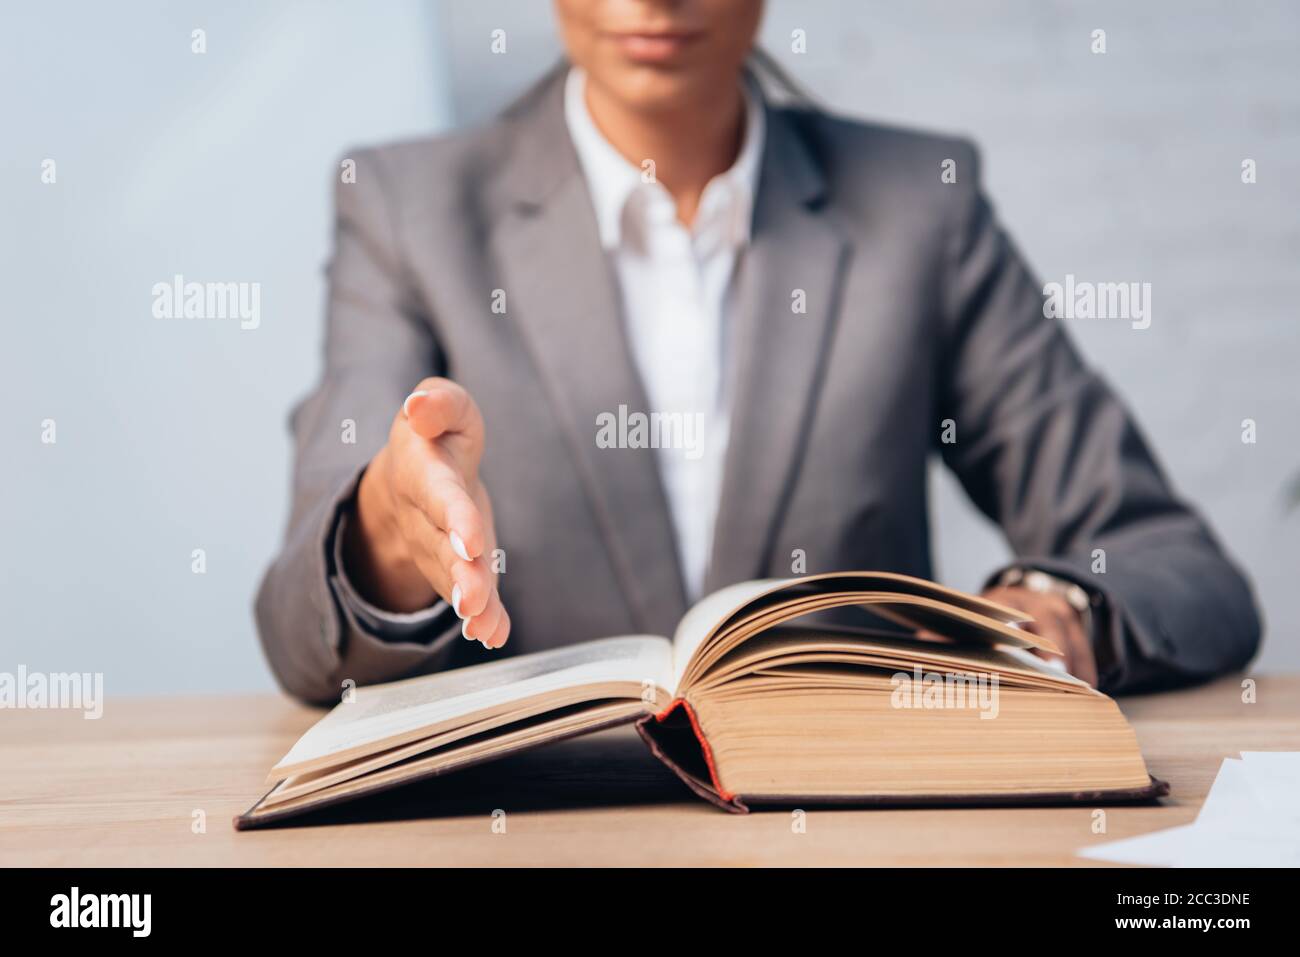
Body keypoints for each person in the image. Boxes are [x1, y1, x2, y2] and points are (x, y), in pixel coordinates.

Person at [256, 0, 1260, 706]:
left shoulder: (919, 209)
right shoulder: (407, 210)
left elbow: (1177, 570)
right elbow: (297, 638)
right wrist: (388, 534)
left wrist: (1059, 608)